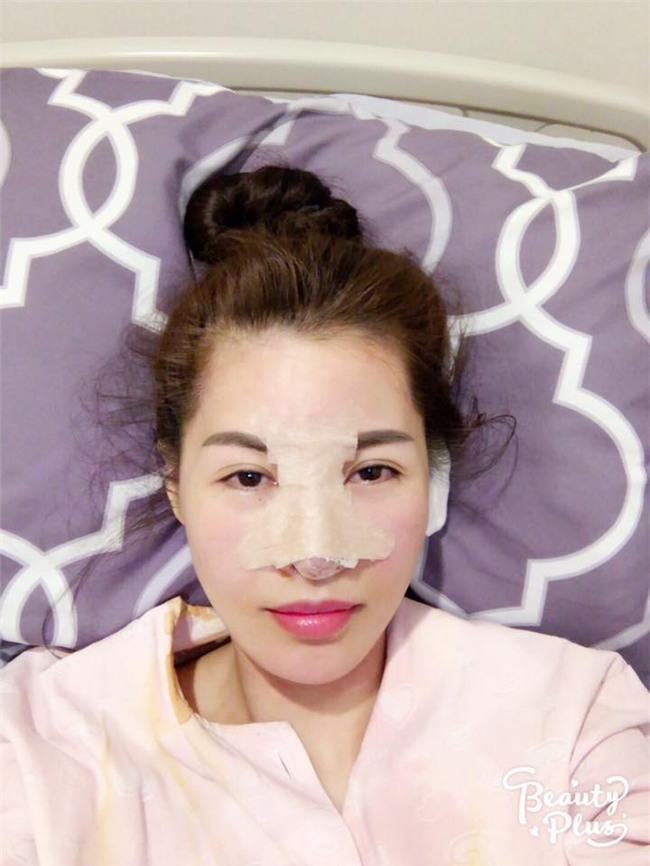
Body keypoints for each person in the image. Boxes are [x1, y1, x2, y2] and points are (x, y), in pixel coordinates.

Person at [1, 166, 648, 865]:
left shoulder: (574, 724)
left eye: (371, 472)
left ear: (430, 477)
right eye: (249, 477)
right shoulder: (39, 749)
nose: (315, 555)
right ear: (176, 483)